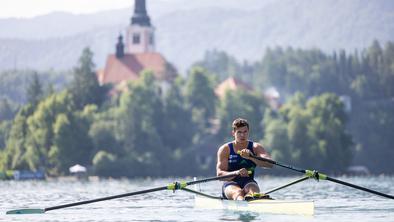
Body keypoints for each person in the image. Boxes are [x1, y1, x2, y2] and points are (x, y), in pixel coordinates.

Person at [216, 118, 273, 200]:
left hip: (249, 182)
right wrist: (237, 173)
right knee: (238, 192)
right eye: (239, 132)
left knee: (252, 191)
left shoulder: (255, 147)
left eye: (245, 132)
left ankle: (253, 198)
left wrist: (251, 157)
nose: (242, 135)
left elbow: (270, 164)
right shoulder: (225, 149)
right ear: (233, 133)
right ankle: (241, 201)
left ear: (248, 132)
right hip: (230, 183)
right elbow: (220, 175)